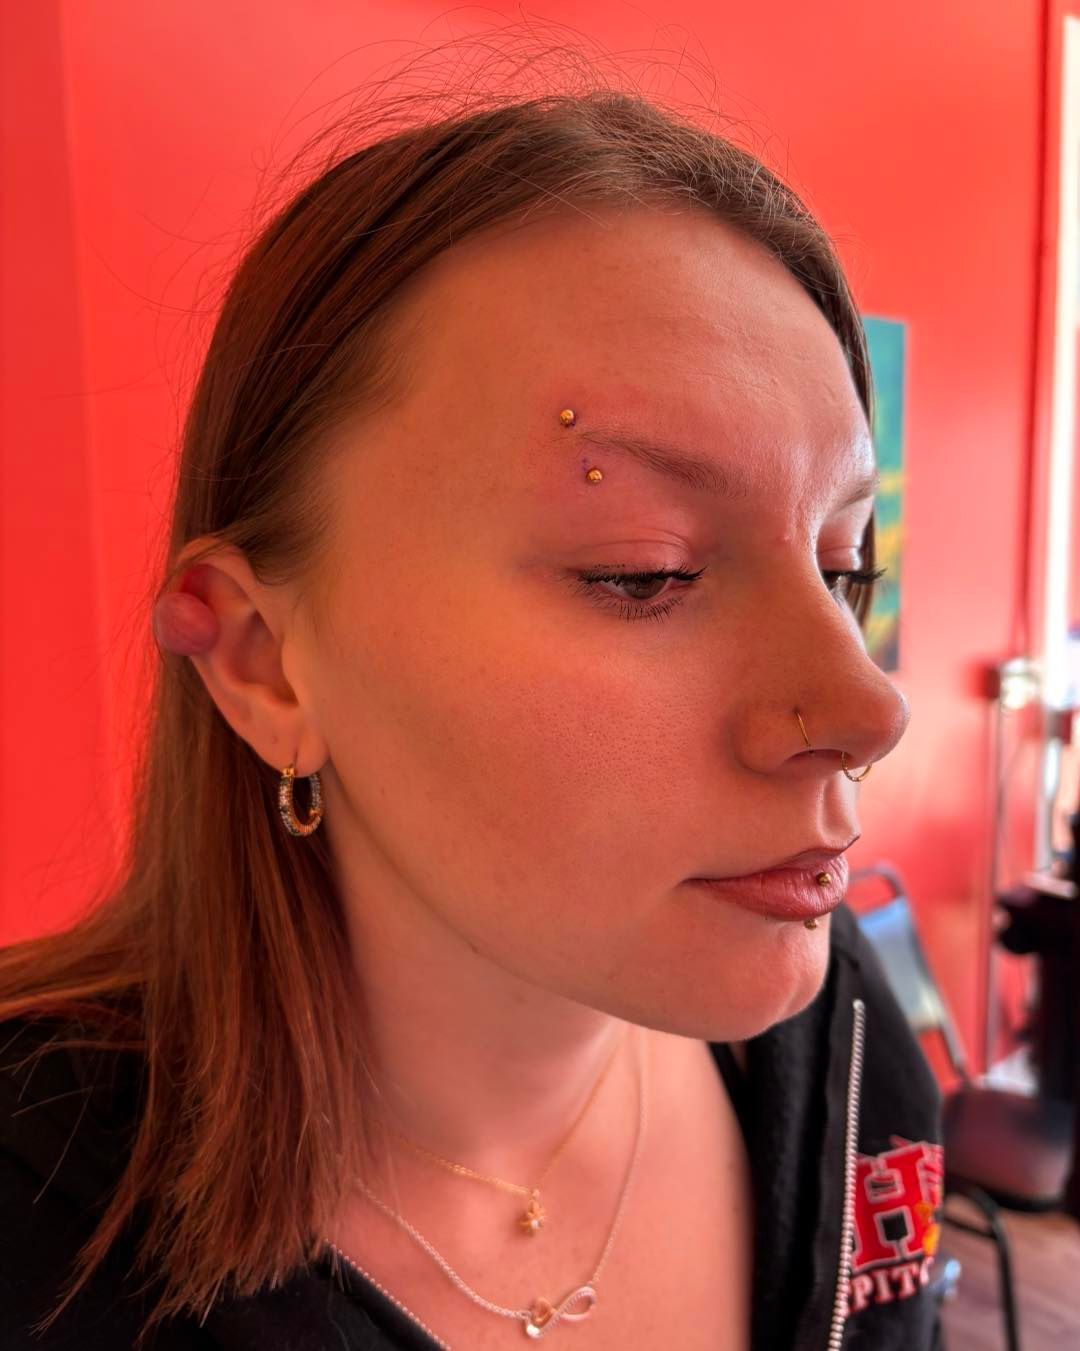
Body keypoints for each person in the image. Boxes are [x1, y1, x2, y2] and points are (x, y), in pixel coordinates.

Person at [0, 58, 945, 1351]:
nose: (867, 704)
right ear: (266, 661)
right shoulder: (36, 1226)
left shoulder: (844, 1047)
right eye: (643, 572)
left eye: (848, 568)